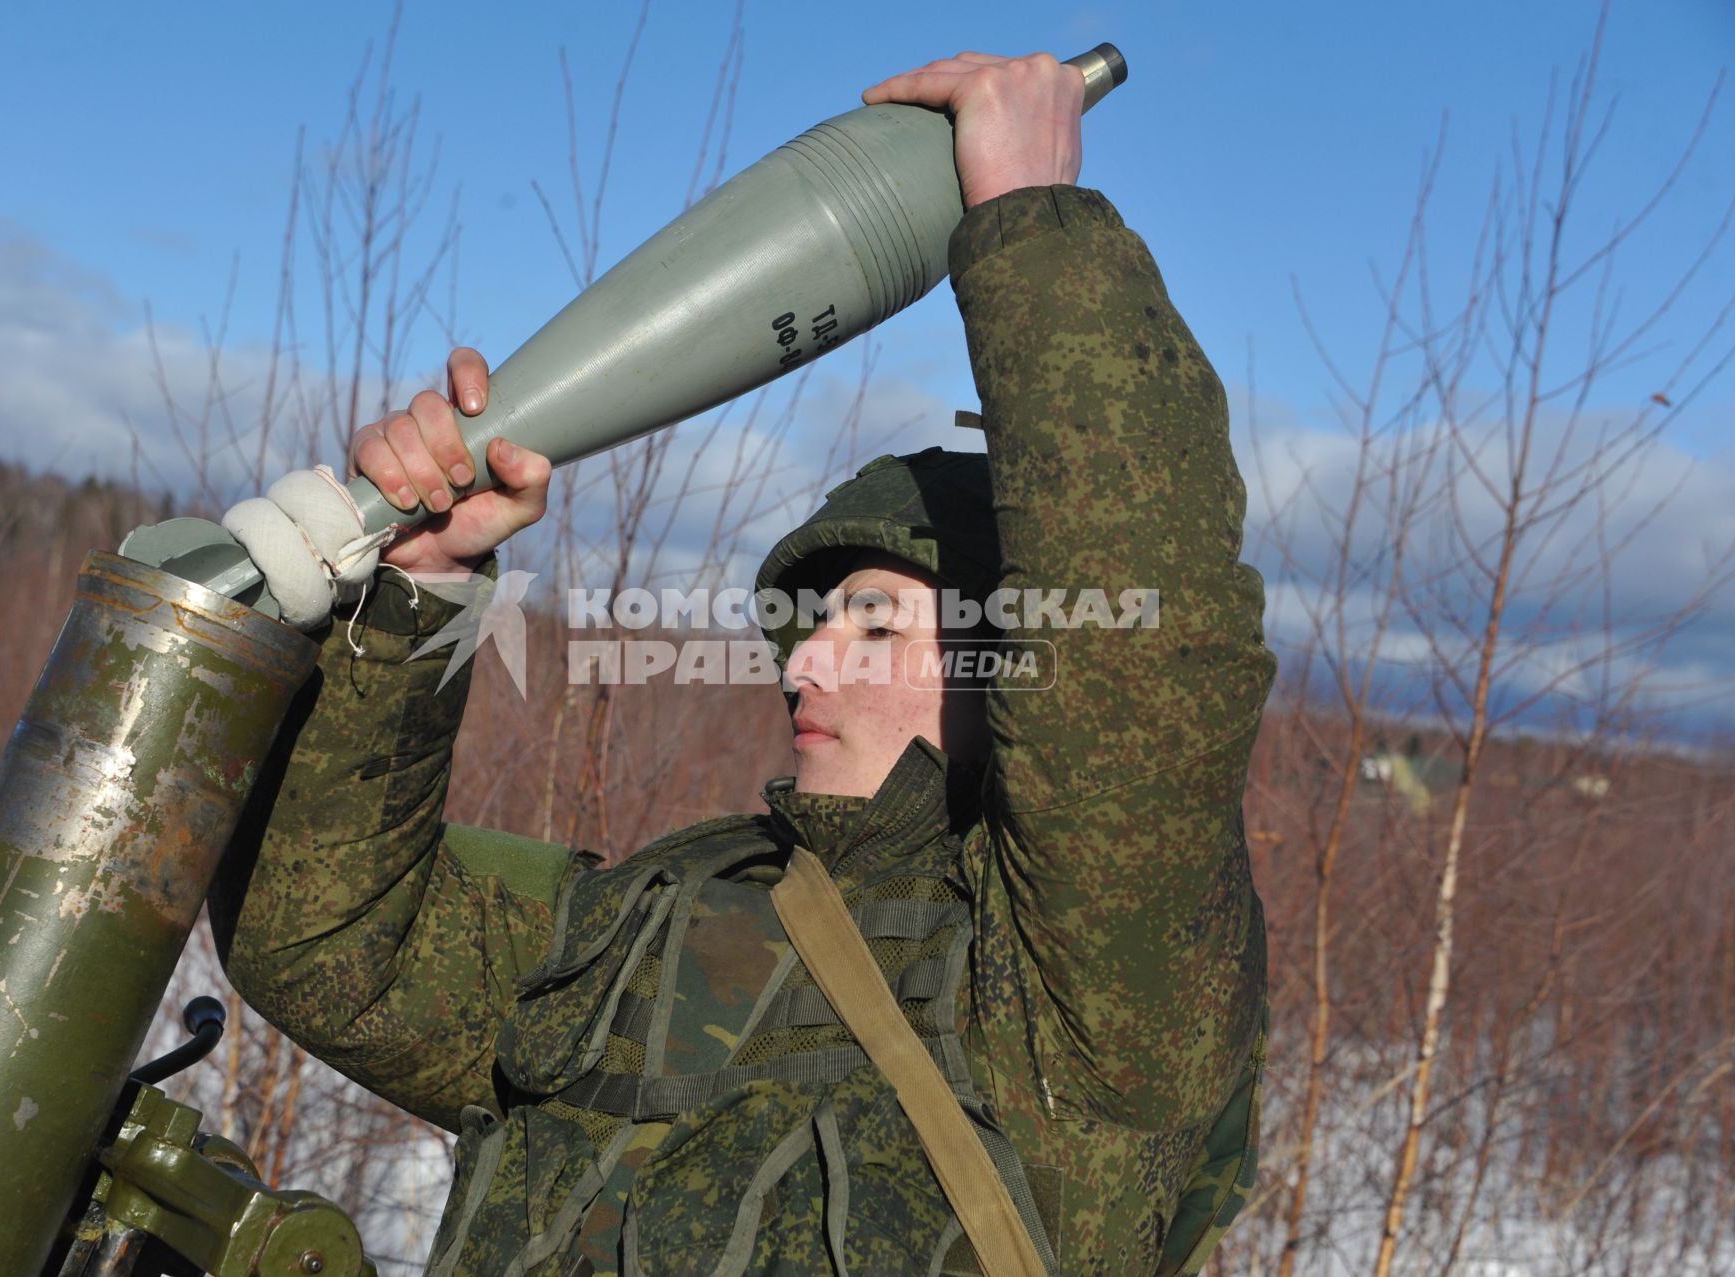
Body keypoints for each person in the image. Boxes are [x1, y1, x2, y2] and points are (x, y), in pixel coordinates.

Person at [211, 50, 1274, 1277]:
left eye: (876, 619)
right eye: (816, 617)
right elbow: (330, 942)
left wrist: (1030, 222)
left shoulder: (1073, 1002)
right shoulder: (653, 921)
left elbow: (1143, 668)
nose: (805, 656)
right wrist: (424, 586)